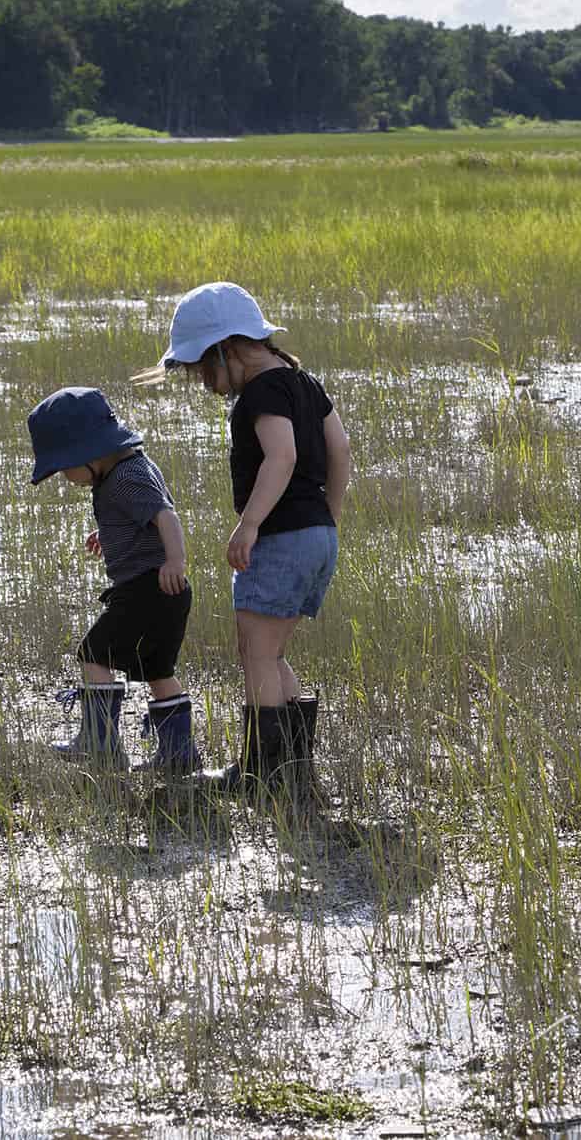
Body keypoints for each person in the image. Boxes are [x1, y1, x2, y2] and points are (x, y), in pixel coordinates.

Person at [146, 283, 350, 809]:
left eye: (202, 371)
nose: (204, 383)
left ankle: (263, 773)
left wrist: (250, 524)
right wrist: (329, 518)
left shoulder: (259, 394)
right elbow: (341, 449)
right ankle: (294, 771)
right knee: (272, 652)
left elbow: (280, 456)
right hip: (318, 536)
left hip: (281, 538)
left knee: (255, 652)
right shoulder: (305, 383)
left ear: (227, 350)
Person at [27, 387, 201, 773]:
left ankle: (100, 744)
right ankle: (179, 755)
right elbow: (139, 519)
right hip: (162, 592)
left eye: (64, 469)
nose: (66, 478)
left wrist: (176, 560)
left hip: (147, 588)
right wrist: (110, 534)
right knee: (158, 671)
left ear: (88, 453)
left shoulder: (126, 476)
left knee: (93, 653)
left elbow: (166, 517)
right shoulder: (125, 468)